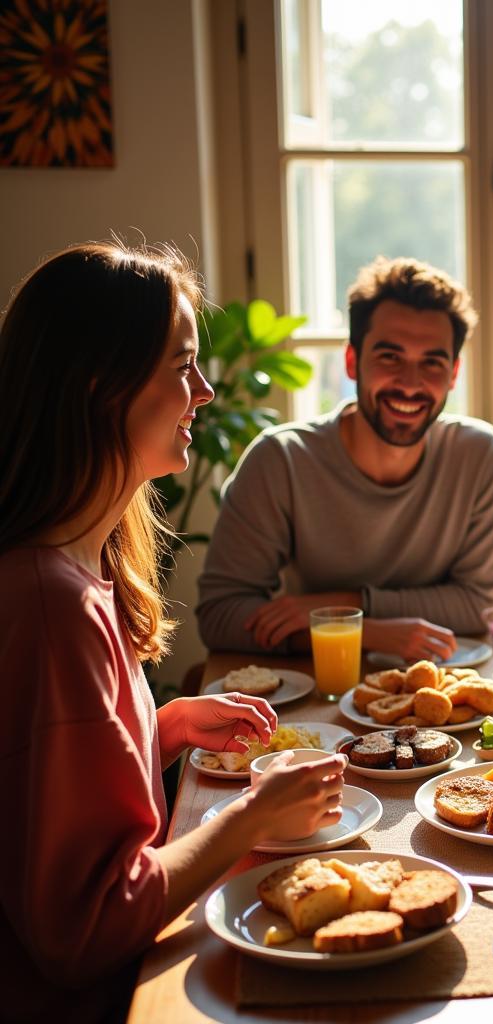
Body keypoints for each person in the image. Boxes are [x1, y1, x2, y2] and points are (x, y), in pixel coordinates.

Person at [0, 243, 347, 1024]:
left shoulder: (71, 569)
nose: (204, 389)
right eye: (181, 366)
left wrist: (161, 729)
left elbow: (39, 790)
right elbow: (81, 931)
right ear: (101, 384)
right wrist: (249, 817)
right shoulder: (54, 609)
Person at [197, 256, 493, 663]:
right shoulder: (281, 460)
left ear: (453, 373)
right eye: (389, 357)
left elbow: (478, 605)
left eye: (431, 363)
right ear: (352, 361)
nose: (410, 384)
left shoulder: (478, 454)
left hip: (442, 694)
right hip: (317, 699)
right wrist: (366, 633)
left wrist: (335, 606)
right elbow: (220, 616)